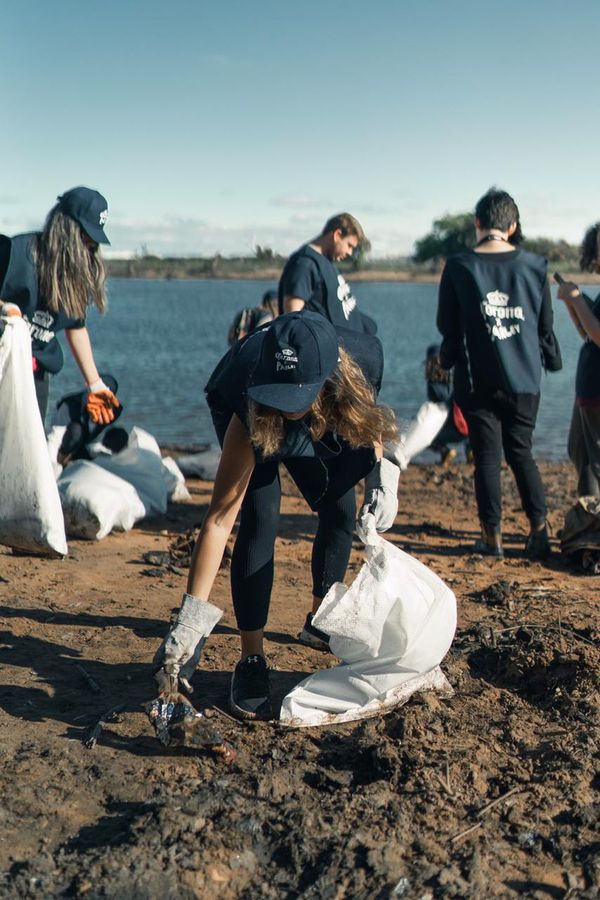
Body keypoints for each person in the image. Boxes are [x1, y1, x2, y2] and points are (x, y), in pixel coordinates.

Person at [154, 311, 399, 720]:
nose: (290, 408)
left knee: (339, 505)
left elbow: (366, 422)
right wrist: (189, 620)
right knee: (260, 513)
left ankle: (322, 620)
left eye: (296, 397)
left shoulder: (362, 361)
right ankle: (252, 659)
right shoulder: (250, 391)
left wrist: (381, 476)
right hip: (250, 403)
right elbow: (218, 520)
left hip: (326, 397)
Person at [436, 188, 562, 560]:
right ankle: (539, 534)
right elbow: (545, 327)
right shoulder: (536, 266)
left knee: (487, 458)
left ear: (478, 223)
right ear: (512, 226)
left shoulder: (459, 265)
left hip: (478, 382)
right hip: (525, 380)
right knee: (522, 452)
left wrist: (446, 360)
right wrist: (552, 361)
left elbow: (448, 326)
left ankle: (493, 540)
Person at [0, 186, 119, 427]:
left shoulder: (75, 274)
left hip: (35, 373)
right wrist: (5, 310)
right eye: (85, 236)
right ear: (64, 226)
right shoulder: (14, 253)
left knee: (26, 448)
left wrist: (95, 384)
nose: (89, 246)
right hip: (3, 365)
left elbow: (75, 326)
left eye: (93, 240)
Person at [556, 223, 600, 497]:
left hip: (596, 392)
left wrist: (578, 301)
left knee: (594, 462)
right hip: (589, 389)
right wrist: (575, 304)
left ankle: (593, 528)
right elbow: (587, 332)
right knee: (580, 453)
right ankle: (589, 522)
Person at [278, 213, 376, 334]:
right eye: (349, 245)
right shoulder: (305, 264)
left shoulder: (326, 262)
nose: (350, 252)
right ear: (337, 235)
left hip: (352, 343)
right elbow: (292, 318)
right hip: (326, 348)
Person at [386, 344, 469, 470]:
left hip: (449, 427)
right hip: (464, 428)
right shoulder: (452, 376)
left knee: (420, 426)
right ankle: (470, 450)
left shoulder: (434, 380)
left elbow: (439, 400)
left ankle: (445, 451)